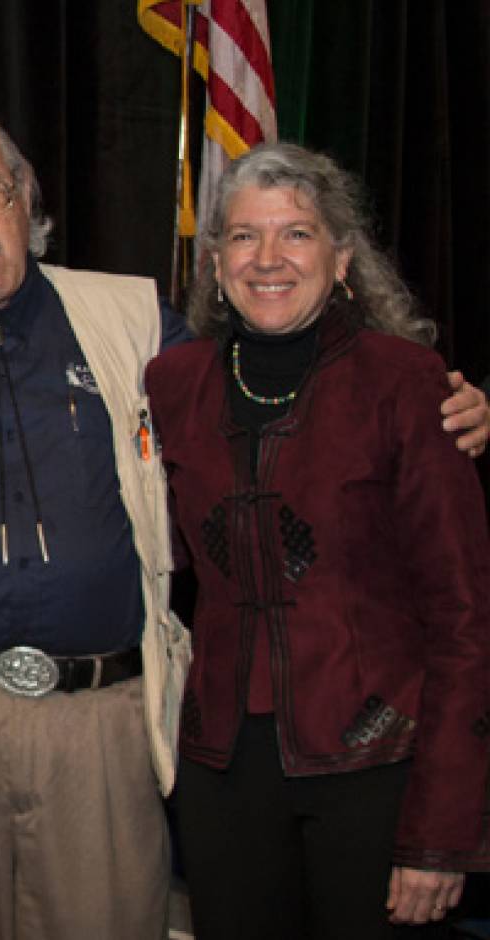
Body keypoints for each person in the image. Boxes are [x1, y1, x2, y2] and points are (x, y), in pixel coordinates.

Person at [0, 109, 490, 939]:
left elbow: (303, 380)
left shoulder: (135, 324)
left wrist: (454, 406)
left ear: (27, 196)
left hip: (108, 727)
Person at [145, 142, 490, 939]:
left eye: (296, 234)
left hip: (378, 770)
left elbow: (466, 622)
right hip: (221, 773)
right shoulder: (173, 385)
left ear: (341, 259)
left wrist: (441, 835)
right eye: (242, 235)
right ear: (217, 261)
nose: (267, 258)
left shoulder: (406, 383)